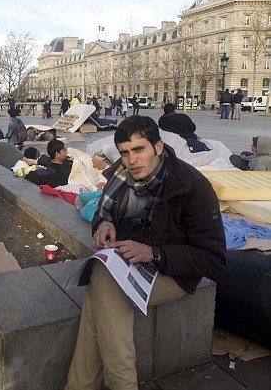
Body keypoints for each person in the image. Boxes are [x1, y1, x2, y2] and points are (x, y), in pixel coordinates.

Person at [65, 115, 225, 390]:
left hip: (173, 272)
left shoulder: (192, 187)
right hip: (128, 261)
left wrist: (154, 253)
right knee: (101, 285)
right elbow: (104, 211)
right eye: (125, 152)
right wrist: (103, 223)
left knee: (103, 284)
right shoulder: (121, 173)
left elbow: (213, 260)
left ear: (159, 147)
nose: (131, 160)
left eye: (139, 150)